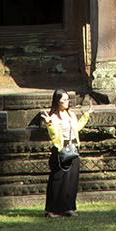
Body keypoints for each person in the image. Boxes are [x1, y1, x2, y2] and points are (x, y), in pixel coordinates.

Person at [40, 89, 91, 217]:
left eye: (68, 99)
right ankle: (52, 209)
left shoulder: (71, 115)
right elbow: (54, 135)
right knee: (58, 179)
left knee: (72, 180)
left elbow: (76, 129)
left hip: (73, 148)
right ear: (57, 101)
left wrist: (86, 116)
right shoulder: (53, 117)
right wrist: (50, 125)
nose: (67, 102)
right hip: (61, 150)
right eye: (64, 100)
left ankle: (68, 207)